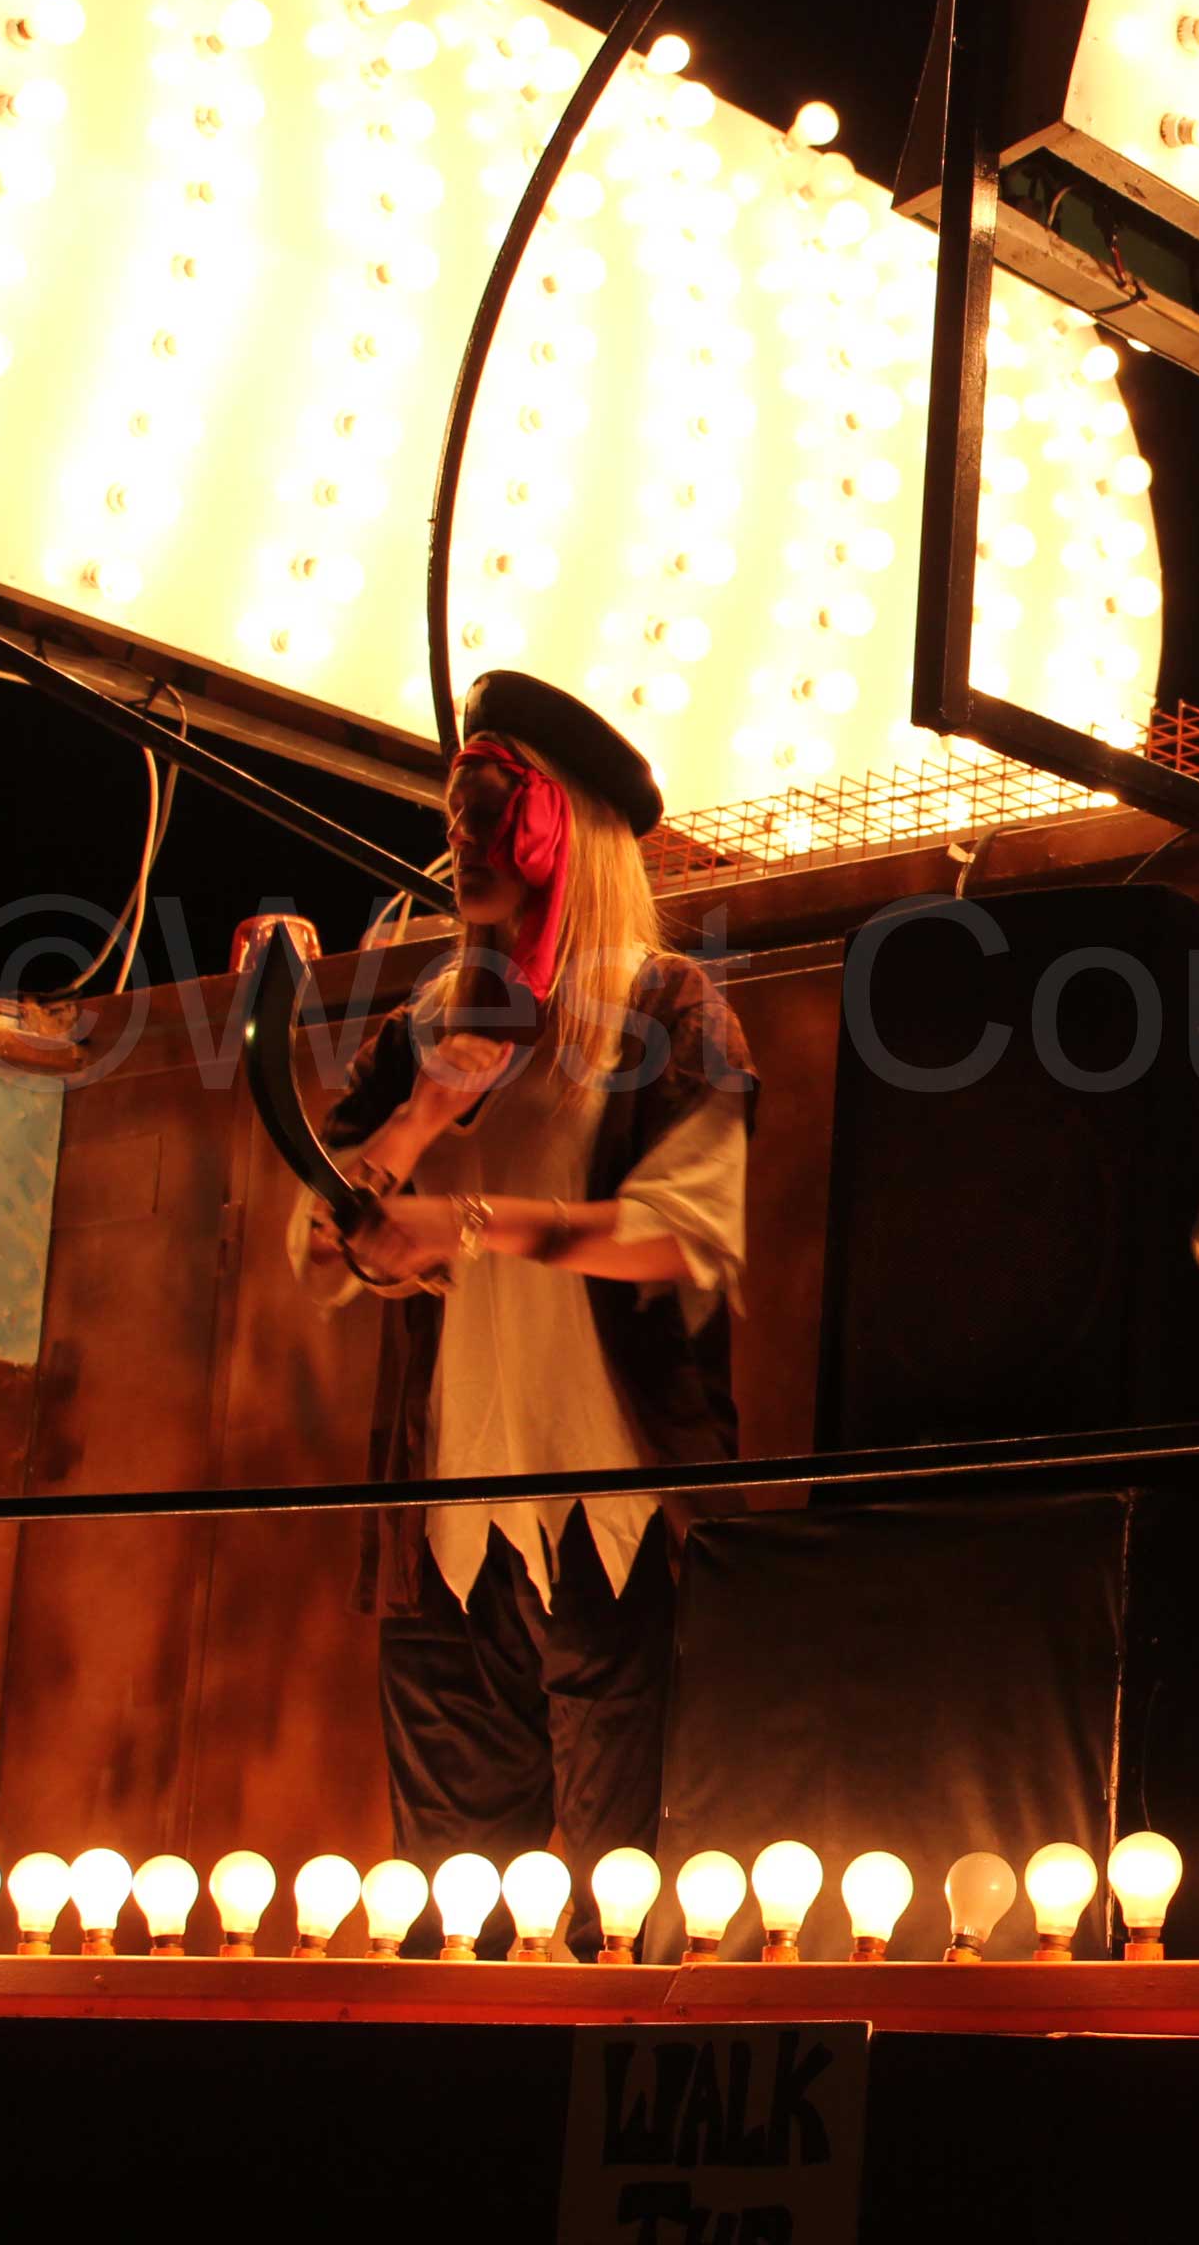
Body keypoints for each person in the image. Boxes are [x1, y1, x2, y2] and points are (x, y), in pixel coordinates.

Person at [290, 669, 754, 1954]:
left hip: (614, 1517)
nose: (463, 841)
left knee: (622, 1908)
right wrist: (422, 1115)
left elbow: (686, 1236)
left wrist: (475, 1224)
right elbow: (319, 1249)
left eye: (489, 808)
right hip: (447, 1530)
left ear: (561, 827)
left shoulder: (667, 1010)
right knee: (450, 1915)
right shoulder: (425, 1025)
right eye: (453, 813)